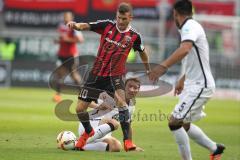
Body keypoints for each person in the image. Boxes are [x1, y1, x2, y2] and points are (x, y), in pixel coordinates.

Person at [67, 2, 151, 151]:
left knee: (122, 104)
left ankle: (128, 142)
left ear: (130, 17)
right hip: (95, 75)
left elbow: (142, 51)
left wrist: (148, 68)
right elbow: (87, 25)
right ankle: (88, 132)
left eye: (124, 19)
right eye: (118, 17)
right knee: (80, 109)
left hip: (115, 76)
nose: (120, 21)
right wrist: (76, 26)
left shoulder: (134, 36)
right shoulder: (107, 26)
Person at [149, 1, 225, 160]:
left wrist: (162, 66)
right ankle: (215, 148)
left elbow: (185, 50)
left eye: (174, 15)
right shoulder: (191, 26)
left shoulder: (189, 26)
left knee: (174, 122)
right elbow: (193, 58)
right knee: (184, 124)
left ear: (176, 14)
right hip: (193, 84)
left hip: (200, 86)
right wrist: (183, 79)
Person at [78, 78, 144, 152]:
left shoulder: (131, 106)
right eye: (129, 86)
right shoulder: (111, 95)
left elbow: (128, 125)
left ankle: (77, 146)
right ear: (123, 87)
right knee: (114, 123)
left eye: (135, 88)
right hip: (89, 126)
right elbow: (84, 102)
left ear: (138, 90)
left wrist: (131, 145)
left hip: (104, 132)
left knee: (116, 147)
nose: (132, 90)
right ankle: (81, 141)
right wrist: (97, 106)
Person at [53, 11, 84, 103]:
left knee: (74, 75)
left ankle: (83, 94)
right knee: (59, 75)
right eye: (65, 16)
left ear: (71, 17)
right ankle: (58, 96)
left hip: (71, 55)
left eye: (67, 16)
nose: (65, 18)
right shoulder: (61, 26)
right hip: (61, 54)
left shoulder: (74, 26)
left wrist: (68, 39)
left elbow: (81, 40)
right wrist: (58, 41)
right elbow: (61, 38)